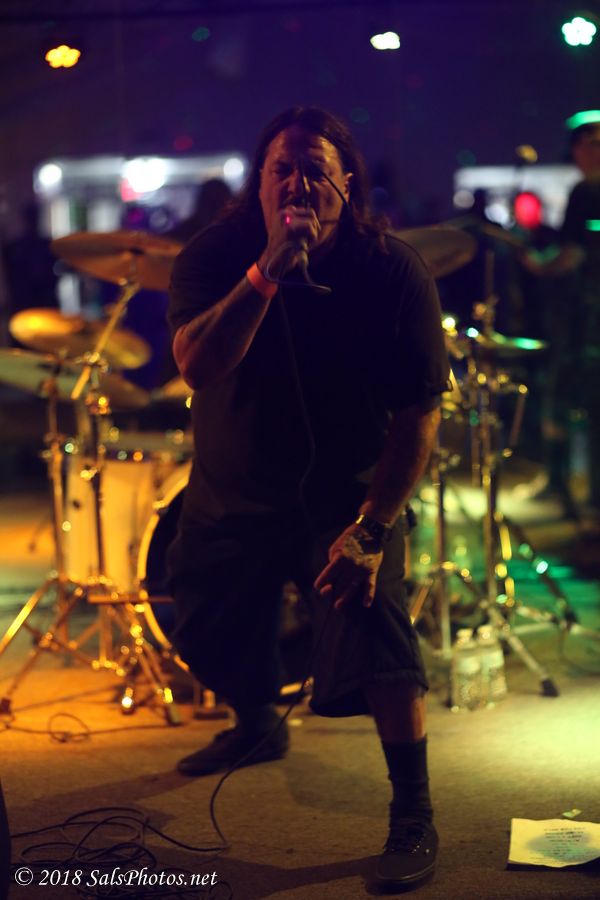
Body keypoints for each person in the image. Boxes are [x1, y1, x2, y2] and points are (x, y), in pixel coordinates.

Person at [166, 106, 450, 888]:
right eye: (282, 168)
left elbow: (420, 412)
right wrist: (265, 272)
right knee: (202, 617)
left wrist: (374, 528)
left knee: (380, 638)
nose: (298, 183)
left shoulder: (392, 270)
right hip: (235, 484)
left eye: (316, 169)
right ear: (259, 183)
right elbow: (195, 365)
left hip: (346, 497)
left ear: (346, 183)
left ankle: (414, 811)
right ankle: (257, 720)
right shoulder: (215, 255)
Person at [522, 118, 600, 520]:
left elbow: (571, 256)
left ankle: (567, 487)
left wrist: (537, 264)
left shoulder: (586, 191)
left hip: (585, 318)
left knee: (565, 394)